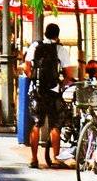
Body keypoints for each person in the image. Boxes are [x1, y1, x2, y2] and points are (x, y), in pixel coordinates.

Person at [25, 23, 73, 169]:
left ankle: (34, 159)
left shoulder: (34, 46)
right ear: (57, 35)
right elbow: (69, 74)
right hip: (53, 91)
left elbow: (27, 67)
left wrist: (34, 80)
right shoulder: (61, 49)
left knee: (36, 124)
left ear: (45, 33)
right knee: (55, 125)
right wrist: (62, 83)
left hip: (37, 91)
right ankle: (56, 158)